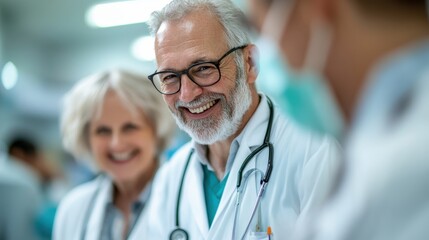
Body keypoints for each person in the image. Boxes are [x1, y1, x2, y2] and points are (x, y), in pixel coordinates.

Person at [143, 0, 342, 239]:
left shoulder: (313, 152)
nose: (187, 94)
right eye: (170, 77)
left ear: (249, 63)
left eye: (204, 68)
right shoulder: (171, 179)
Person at [242, 0, 429, 239]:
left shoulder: (401, 172)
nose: (267, 55)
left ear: (316, 8)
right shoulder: (385, 132)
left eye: (259, 27)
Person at [53, 69, 175, 240]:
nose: (116, 144)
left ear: (156, 130)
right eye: (102, 131)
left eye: (130, 127)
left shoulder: (186, 197)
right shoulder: (73, 208)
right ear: (86, 138)